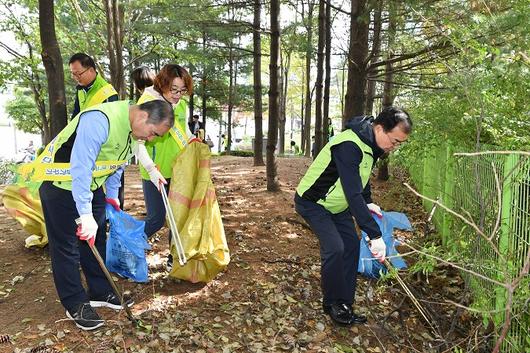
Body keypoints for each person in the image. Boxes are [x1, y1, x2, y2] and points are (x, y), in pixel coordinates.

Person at [38, 100, 174, 331]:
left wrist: (111, 196)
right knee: (67, 247)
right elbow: (80, 167)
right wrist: (85, 214)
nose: (151, 139)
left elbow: (116, 162)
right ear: (142, 117)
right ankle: (75, 302)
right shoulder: (99, 120)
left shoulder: (133, 131)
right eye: (153, 133)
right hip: (60, 186)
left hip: (89, 186)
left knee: (98, 237)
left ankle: (99, 290)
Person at [294, 107, 412, 325]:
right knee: (335, 248)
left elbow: (361, 178)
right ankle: (332, 304)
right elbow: (352, 191)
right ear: (379, 128)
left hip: (337, 206)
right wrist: (374, 235)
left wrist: (369, 203)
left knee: (351, 246)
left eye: (399, 144)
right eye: (395, 141)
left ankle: (344, 303)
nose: (394, 148)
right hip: (313, 203)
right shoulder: (348, 145)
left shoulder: (371, 146)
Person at [136, 64, 194, 270]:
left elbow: (185, 131)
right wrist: (151, 169)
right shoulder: (147, 102)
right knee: (157, 218)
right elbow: (137, 142)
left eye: (182, 90)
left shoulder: (181, 105)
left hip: (178, 169)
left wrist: (194, 143)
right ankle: (129, 246)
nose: (178, 95)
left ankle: (174, 257)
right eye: (174, 90)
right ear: (162, 84)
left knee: (177, 215)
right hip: (155, 170)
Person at [68, 53, 125, 208]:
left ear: (91, 70)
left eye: (78, 73)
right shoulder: (81, 89)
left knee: (112, 189)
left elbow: (113, 128)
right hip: (87, 144)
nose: (76, 77)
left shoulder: (107, 93)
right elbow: (76, 117)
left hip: (105, 149)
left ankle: (112, 217)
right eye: (73, 74)